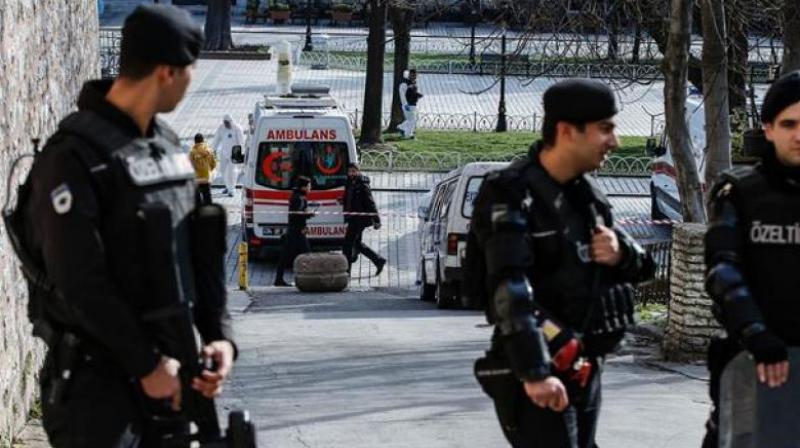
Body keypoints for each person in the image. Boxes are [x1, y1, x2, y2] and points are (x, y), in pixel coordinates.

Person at [23, 5, 236, 447]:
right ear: (165, 73)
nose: (190, 81)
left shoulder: (169, 148)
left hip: (175, 377)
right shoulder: (73, 158)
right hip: (100, 388)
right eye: (188, 71)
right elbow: (79, 281)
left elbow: (202, 246)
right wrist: (145, 364)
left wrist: (219, 338)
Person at [470, 79, 655, 448]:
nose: (615, 142)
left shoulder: (589, 197)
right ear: (567, 131)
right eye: (605, 129)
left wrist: (623, 253)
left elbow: (641, 270)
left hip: (586, 367)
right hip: (539, 366)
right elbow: (510, 289)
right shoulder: (510, 192)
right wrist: (535, 371)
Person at [701, 70, 800, 447]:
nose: (799, 135)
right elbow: (722, 271)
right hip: (751, 360)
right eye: (788, 124)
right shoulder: (739, 192)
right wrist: (755, 333)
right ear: (769, 128)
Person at [342, 163, 386, 276]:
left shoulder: (362, 184)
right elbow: (348, 197)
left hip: (360, 219)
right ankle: (378, 260)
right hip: (353, 217)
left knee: (347, 244)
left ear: (358, 171)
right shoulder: (349, 182)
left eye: (353, 171)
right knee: (357, 244)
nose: (351, 173)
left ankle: (346, 271)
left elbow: (370, 202)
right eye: (349, 171)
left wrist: (377, 220)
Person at [274, 176, 314, 287]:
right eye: (309, 186)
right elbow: (297, 215)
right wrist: (308, 215)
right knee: (307, 254)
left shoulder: (297, 196)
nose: (310, 188)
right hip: (296, 231)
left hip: (295, 230)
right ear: (303, 187)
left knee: (286, 255)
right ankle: (310, 278)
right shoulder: (299, 198)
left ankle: (279, 279)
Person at [211, 113, 245, 197]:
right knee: (222, 170)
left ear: (231, 122)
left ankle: (232, 189)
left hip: (234, 153)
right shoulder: (221, 128)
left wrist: (241, 154)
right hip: (224, 152)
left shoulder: (237, 129)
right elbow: (216, 139)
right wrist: (213, 150)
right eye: (225, 122)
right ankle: (227, 186)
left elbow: (241, 142)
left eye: (227, 123)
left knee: (232, 172)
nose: (226, 124)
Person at [190, 132, 217, 205]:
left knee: (197, 199)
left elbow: (189, 166)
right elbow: (214, 164)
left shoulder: (192, 152)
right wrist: (208, 170)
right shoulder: (209, 150)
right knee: (207, 197)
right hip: (206, 178)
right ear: (203, 140)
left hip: (196, 179)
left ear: (195, 141)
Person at [398, 69, 423, 139]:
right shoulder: (404, 84)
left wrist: (418, 95)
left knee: (412, 119)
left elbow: (412, 93)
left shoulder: (413, 83)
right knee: (412, 120)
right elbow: (402, 95)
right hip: (407, 105)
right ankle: (408, 135)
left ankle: (401, 128)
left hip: (413, 104)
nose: (414, 76)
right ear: (408, 75)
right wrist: (405, 104)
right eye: (412, 75)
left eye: (415, 75)